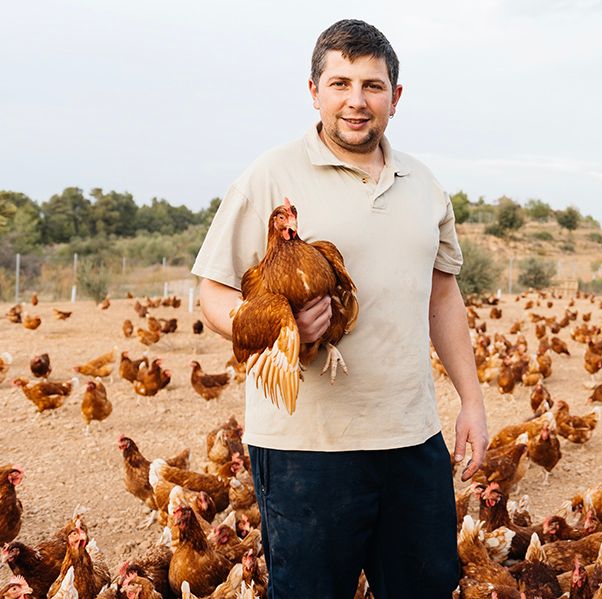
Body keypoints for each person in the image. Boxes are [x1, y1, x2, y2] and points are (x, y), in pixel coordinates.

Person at [192, 19, 487, 599]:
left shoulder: (425, 186)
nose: (356, 101)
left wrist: (471, 401)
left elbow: (443, 297)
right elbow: (212, 294)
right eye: (340, 83)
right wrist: (281, 329)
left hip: (412, 438)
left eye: (372, 86)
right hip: (307, 447)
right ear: (313, 91)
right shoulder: (268, 176)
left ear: (395, 98)